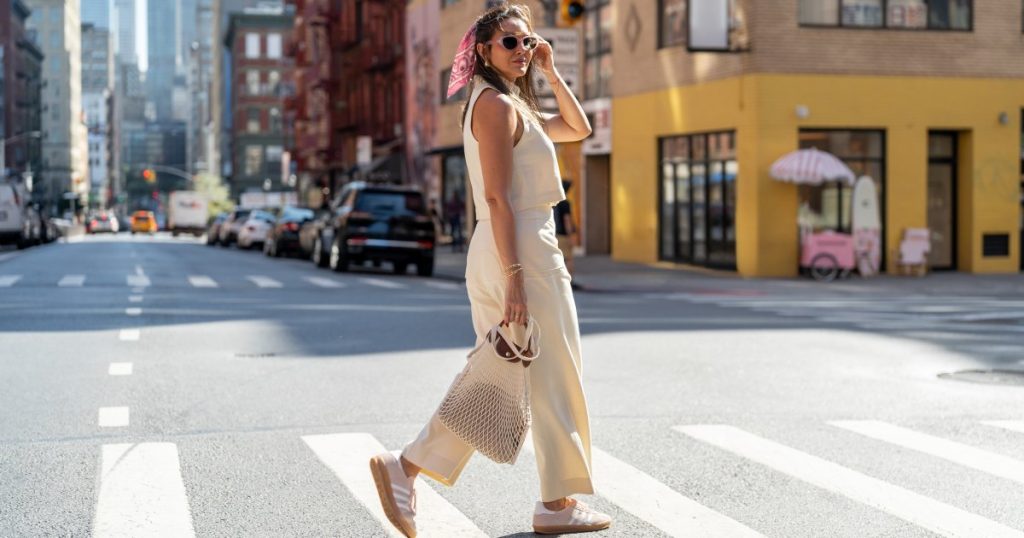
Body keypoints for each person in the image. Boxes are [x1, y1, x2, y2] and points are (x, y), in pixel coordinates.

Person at [369, 4, 612, 536]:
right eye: (509, 42)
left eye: (527, 41)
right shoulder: (497, 106)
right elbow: (498, 199)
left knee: (501, 377)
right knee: (551, 376)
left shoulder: (510, 105)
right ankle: (545, 500)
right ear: (482, 50)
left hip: (509, 248)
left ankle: (410, 468)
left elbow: (580, 127)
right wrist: (516, 278)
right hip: (520, 249)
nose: (522, 50)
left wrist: (550, 71)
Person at [553, 180, 577, 281]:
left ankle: (560, 281)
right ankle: (569, 281)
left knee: (558, 259)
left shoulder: (554, 203)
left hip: (554, 234)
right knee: (568, 259)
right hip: (563, 235)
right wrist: (570, 235)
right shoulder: (565, 203)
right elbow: (567, 220)